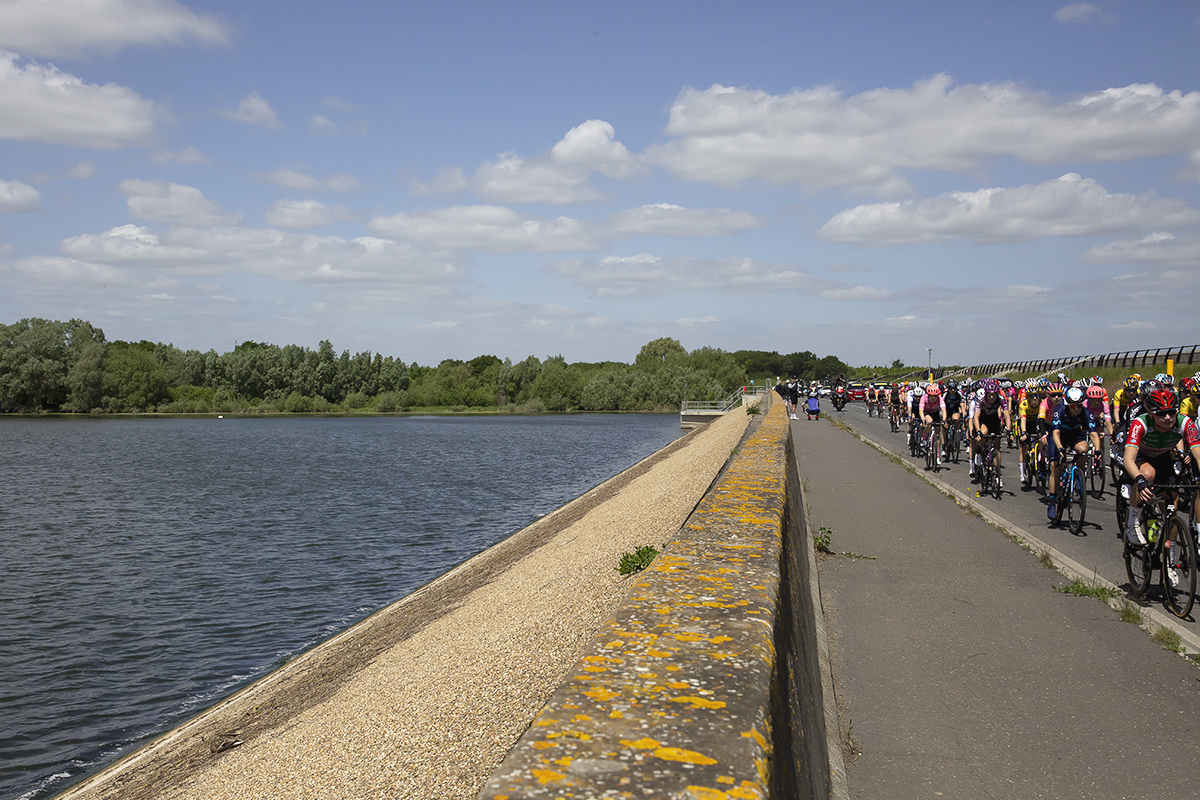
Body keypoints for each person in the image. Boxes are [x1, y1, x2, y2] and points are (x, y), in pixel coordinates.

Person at [1122, 388, 1200, 557]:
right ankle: (1133, 523)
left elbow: (1198, 455)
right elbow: (1128, 460)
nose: (1167, 418)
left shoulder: (1185, 423)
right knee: (1147, 474)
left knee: (1172, 506)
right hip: (1140, 456)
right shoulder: (1140, 423)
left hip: (1163, 457)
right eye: (1161, 414)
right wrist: (1140, 480)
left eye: (1171, 413)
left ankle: (1169, 556)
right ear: (1151, 413)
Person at [1048, 386, 1102, 523]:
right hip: (1058, 438)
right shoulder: (1060, 412)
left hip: (1074, 436)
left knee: (1084, 449)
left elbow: (1094, 433)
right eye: (1073, 406)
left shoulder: (1086, 412)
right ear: (1068, 404)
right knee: (1055, 467)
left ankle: (1079, 475)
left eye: (1078, 405)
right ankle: (1052, 501)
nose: (1076, 408)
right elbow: (1055, 433)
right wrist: (1060, 448)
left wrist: (1098, 449)